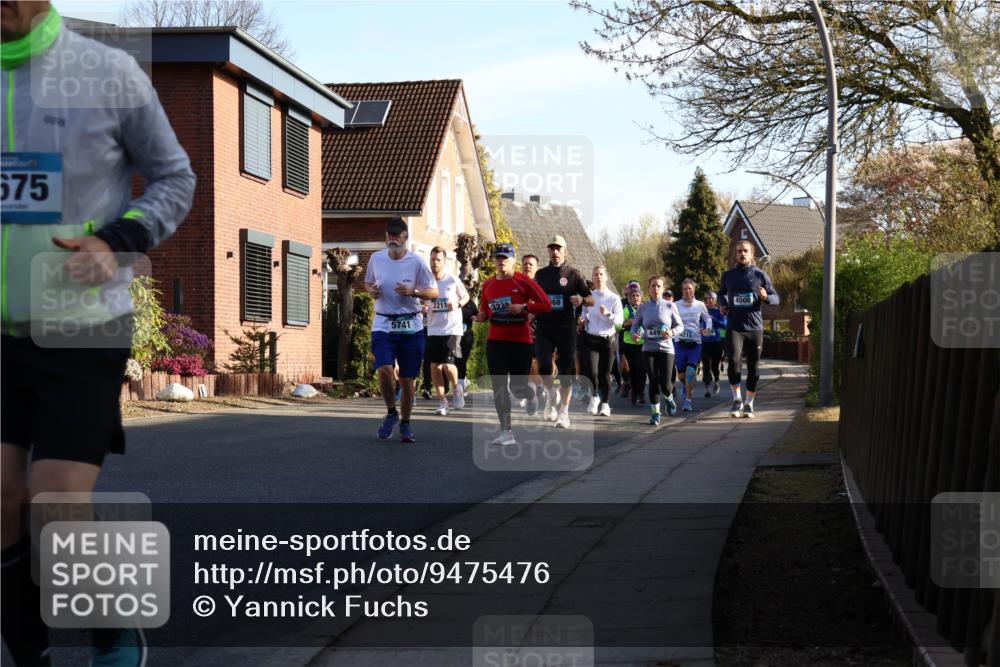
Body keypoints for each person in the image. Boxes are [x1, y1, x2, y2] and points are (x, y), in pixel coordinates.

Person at [1, 3, 196, 665]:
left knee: (54, 498)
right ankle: (27, 651)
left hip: (79, 327)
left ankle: (112, 628)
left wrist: (116, 241)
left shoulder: (107, 73)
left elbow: (175, 177)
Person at [365, 218, 439, 441]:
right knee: (384, 369)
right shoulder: (376, 258)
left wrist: (414, 292)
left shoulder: (416, 261)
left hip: (411, 326)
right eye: (389, 234)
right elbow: (368, 282)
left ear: (405, 237)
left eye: (397, 235)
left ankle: (406, 423)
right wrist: (371, 291)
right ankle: (391, 412)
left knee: (407, 380)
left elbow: (433, 292)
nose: (393, 238)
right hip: (383, 324)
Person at [476, 243, 551, 445]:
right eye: (498, 257)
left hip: (520, 341)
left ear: (513, 260)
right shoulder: (488, 285)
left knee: (518, 388)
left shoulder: (523, 280)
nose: (502, 261)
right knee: (499, 386)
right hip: (496, 341)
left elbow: (546, 304)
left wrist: (524, 307)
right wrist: (481, 316)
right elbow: (485, 310)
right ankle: (506, 431)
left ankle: (530, 394)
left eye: (506, 258)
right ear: (494, 260)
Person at [532, 236, 593, 429]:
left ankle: (564, 413)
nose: (555, 252)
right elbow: (532, 297)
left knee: (566, 373)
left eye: (558, 249)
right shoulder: (540, 275)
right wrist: (530, 312)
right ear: (548, 252)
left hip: (566, 329)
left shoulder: (574, 274)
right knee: (543, 366)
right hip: (544, 327)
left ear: (565, 251)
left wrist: (581, 300)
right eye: (552, 249)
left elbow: (591, 299)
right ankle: (551, 396)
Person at [718, 239, 779, 418]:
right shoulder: (728, 276)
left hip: (754, 328)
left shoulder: (760, 275)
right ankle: (737, 400)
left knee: (753, 368)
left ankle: (749, 404)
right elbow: (721, 293)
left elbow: (776, 298)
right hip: (734, 327)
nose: (742, 254)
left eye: (745, 251)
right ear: (735, 254)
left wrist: (766, 297)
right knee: (734, 362)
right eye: (739, 251)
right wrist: (723, 304)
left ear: (752, 254)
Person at [630, 276, 683, 425]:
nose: (655, 289)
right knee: (653, 380)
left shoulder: (670, 306)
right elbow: (635, 326)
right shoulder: (643, 308)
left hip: (666, 349)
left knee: (665, 385)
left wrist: (672, 332)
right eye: (653, 286)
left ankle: (669, 398)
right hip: (648, 348)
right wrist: (635, 334)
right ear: (648, 289)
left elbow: (680, 326)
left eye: (659, 286)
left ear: (663, 288)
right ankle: (655, 414)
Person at [424, 247, 470, 415]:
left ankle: (457, 388)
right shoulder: (426, 282)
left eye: (438, 260)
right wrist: (423, 308)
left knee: (447, 364)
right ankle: (442, 401)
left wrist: (457, 304)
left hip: (452, 328)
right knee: (435, 366)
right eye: (432, 259)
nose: (435, 263)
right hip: (433, 328)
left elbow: (466, 297)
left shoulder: (452, 280)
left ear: (444, 262)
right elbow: (420, 301)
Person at [581, 266, 623, 416]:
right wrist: (582, 319)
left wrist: (608, 314)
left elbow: (619, 323)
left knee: (605, 373)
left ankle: (605, 403)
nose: (598, 277)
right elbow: (584, 313)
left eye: (601, 274)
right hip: (592, 338)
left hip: (608, 340)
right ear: (592, 278)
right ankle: (594, 397)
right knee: (592, 372)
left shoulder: (614, 298)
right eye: (595, 274)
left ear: (605, 277)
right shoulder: (589, 297)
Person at [674, 279, 713, 412]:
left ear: (694, 290)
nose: (687, 291)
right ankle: (687, 386)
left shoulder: (700, 305)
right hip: (679, 342)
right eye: (685, 289)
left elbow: (707, 319)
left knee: (690, 372)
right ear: (682, 291)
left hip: (695, 343)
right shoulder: (676, 305)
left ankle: (688, 401)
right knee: (681, 376)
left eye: (690, 288)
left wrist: (708, 328)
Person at [520, 254, 545, 408]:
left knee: (534, 362)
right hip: (518, 328)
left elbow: (547, 304)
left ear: (536, 268)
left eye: (531, 264)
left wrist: (533, 312)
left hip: (537, 328)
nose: (527, 266)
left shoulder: (541, 285)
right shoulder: (516, 283)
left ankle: (534, 389)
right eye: (525, 264)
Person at [618, 282, 646, 405]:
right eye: (633, 296)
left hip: (643, 343)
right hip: (628, 343)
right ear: (629, 298)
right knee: (633, 370)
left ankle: (641, 392)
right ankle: (634, 392)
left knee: (642, 369)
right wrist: (626, 323)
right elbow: (618, 326)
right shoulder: (625, 310)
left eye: (637, 296)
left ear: (641, 297)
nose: (635, 298)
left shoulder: (646, 309)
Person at [701, 291, 727, 398]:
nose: (710, 300)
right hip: (705, 342)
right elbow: (697, 323)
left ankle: (716, 380)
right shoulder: (703, 312)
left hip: (716, 342)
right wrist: (702, 325)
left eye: (712, 298)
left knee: (714, 366)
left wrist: (714, 320)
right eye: (708, 298)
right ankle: (707, 387)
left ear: (715, 301)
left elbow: (724, 325)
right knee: (706, 365)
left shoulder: (719, 312)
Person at [456, 296, 478, 394]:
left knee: (462, 360)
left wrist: (475, 318)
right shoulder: (451, 299)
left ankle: (461, 386)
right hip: (453, 335)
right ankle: (462, 380)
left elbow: (478, 315)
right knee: (453, 360)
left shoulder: (470, 303)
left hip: (466, 336)